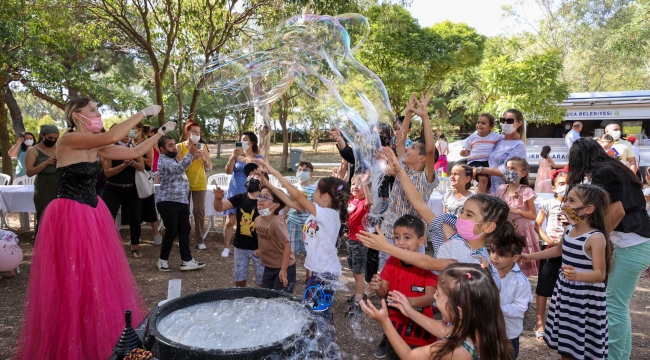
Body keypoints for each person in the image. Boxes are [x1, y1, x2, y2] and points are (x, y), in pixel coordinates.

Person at [13, 97, 174, 360]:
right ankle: (68, 339)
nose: (97, 113)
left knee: (95, 275)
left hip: (91, 213)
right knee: (70, 278)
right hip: (69, 214)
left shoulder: (96, 147)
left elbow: (133, 153)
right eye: (92, 110)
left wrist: (160, 134)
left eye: (98, 110)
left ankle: (92, 332)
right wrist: (141, 113)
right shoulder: (68, 140)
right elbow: (111, 135)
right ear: (77, 116)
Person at [566, 137, 650, 360]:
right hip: (634, 242)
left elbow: (617, 212)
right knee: (619, 305)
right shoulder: (615, 167)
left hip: (631, 243)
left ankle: (612, 356)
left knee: (613, 305)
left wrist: (598, 241)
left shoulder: (602, 172)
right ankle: (621, 355)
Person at [522, 184, 611, 360]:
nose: (565, 205)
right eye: (566, 199)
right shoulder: (569, 229)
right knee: (567, 341)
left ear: (589, 209)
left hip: (584, 297)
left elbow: (600, 274)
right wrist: (529, 256)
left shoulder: (596, 238)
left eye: (571, 201)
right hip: (566, 292)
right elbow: (557, 251)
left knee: (580, 341)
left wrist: (578, 276)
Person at [360, 263, 513, 360]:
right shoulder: (482, 332)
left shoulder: (454, 351)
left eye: (438, 295)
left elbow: (409, 356)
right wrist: (410, 312)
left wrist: (386, 322)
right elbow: (444, 330)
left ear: (458, 312)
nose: (434, 296)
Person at [254, 158, 350, 298]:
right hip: (318, 270)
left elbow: (297, 196)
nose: (313, 194)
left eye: (316, 191)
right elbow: (288, 200)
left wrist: (274, 172)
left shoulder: (329, 215)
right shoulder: (318, 212)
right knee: (314, 309)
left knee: (317, 310)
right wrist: (269, 184)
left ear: (325, 197)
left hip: (325, 273)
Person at [379, 93, 438, 272]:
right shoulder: (401, 168)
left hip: (411, 238)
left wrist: (424, 116)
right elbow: (400, 140)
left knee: (409, 278)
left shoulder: (427, 178)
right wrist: (409, 114)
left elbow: (429, 149)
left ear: (422, 158)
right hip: (389, 232)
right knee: (386, 277)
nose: (407, 148)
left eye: (413, 148)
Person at [368, 215, 437, 359]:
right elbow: (383, 293)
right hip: (395, 333)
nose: (400, 243)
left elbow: (431, 297)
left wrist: (409, 302)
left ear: (421, 241)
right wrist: (378, 286)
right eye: (397, 237)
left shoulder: (426, 265)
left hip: (421, 335)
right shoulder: (392, 262)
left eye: (407, 238)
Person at [155, 136, 206, 272]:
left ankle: (187, 260)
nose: (174, 147)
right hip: (168, 202)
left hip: (182, 201)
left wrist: (193, 157)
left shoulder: (172, 159)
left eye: (174, 144)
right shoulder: (164, 160)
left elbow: (180, 169)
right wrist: (190, 153)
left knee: (185, 229)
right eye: (170, 145)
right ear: (162, 149)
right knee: (172, 231)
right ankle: (162, 259)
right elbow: (178, 169)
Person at [214, 163, 268, 287]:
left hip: (260, 248)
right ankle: (240, 298)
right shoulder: (240, 198)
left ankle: (261, 301)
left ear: (264, 182)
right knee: (239, 277)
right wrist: (217, 199)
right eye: (249, 177)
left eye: (255, 177)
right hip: (241, 247)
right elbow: (220, 207)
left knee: (262, 280)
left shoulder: (266, 202)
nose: (250, 179)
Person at [533, 168, 568, 341]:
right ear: (553, 188)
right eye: (561, 184)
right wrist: (548, 240)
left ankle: (561, 322)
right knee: (544, 286)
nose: (565, 187)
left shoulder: (575, 204)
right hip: (550, 248)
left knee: (565, 286)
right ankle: (540, 322)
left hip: (569, 250)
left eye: (568, 183)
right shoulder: (547, 203)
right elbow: (537, 225)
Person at [101, 127, 145, 258]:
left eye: (128, 133)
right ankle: (106, 247)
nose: (127, 135)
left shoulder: (134, 147)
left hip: (132, 189)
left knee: (136, 219)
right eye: (123, 132)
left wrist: (131, 162)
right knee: (108, 219)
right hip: (113, 189)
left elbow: (141, 166)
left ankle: (135, 248)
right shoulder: (108, 149)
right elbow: (108, 172)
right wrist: (123, 165)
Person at [489, 232, 532, 359]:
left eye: (501, 254)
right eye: (492, 251)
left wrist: (493, 309)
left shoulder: (521, 282)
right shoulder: (486, 273)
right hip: (485, 332)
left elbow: (520, 309)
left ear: (515, 257)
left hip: (508, 335)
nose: (494, 257)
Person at [496, 156, 539, 277]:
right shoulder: (501, 189)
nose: (509, 171)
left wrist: (517, 211)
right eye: (508, 168)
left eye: (513, 168)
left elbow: (533, 215)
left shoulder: (526, 191)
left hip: (521, 233)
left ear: (522, 173)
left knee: (519, 263)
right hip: (505, 231)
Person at [223, 131, 264, 257]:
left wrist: (245, 158)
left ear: (251, 142)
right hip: (235, 189)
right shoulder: (235, 156)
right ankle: (226, 247)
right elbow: (228, 171)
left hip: (250, 191)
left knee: (250, 220)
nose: (242, 142)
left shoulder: (258, 157)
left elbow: (260, 171)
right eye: (241, 139)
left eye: (245, 139)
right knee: (230, 221)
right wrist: (231, 158)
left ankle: (252, 246)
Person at [474, 109, 527, 195]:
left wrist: (480, 169)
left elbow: (506, 170)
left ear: (519, 123)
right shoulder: (498, 139)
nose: (505, 123)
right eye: (503, 120)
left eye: (509, 120)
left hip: (505, 192)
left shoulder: (518, 145)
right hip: (488, 189)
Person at [254, 187, 296, 293]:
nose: (260, 199)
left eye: (266, 197)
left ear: (276, 205)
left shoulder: (277, 223)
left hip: (284, 266)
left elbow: (287, 247)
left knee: (280, 300)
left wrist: (283, 270)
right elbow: (265, 238)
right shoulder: (258, 219)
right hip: (269, 265)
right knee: (266, 296)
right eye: (260, 196)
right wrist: (260, 249)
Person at [177, 121, 212, 249]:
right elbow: (180, 167)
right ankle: (183, 238)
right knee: (183, 211)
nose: (197, 134)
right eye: (194, 132)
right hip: (183, 184)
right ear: (187, 133)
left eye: (198, 132)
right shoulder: (179, 147)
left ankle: (200, 240)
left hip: (200, 183)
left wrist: (204, 159)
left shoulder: (203, 146)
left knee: (198, 210)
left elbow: (209, 166)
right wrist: (192, 157)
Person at [344, 173, 372, 317]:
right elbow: (341, 192)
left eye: (359, 184)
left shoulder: (364, 203)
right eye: (354, 184)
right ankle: (358, 297)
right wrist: (343, 178)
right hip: (350, 240)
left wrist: (366, 184)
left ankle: (359, 303)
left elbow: (369, 201)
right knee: (354, 272)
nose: (355, 187)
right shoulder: (351, 200)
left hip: (359, 241)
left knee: (358, 273)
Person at [25, 125, 60, 235]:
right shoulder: (33, 150)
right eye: (50, 138)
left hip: (60, 184)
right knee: (45, 218)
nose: (53, 141)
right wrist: (46, 163)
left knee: (59, 218)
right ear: (42, 135)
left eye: (55, 139)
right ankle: (41, 246)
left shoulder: (57, 149)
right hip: (44, 186)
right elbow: (29, 172)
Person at [286, 161, 316, 283]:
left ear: (311, 174)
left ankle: (308, 276)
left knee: (308, 251)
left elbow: (314, 207)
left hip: (308, 225)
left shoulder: (314, 190)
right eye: (299, 169)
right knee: (290, 250)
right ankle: (290, 275)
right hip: (293, 222)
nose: (302, 172)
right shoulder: (293, 188)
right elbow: (287, 204)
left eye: (305, 170)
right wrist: (282, 217)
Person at [132, 122, 162, 244]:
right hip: (133, 178)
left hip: (145, 178)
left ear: (139, 130)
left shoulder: (147, 144)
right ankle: (136, 235)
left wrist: (135, 152)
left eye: (132, 129)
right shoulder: (128, 144)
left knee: (149, 206)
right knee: (135, 209)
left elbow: (150, 163)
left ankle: (156, 233)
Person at [459, 113, 503, 194]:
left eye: (483, 123)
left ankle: (484, 197)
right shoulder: (472, 137)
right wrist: (464, 153)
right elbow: (468, 151)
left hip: (488, 163)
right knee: (483, 179)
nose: (479, 125)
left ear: (491, 127)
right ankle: (479, 200)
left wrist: (516, 135)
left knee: (487, 182)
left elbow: (506, 138)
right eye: (478, 122)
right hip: (475, 162)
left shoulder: (495, 136)